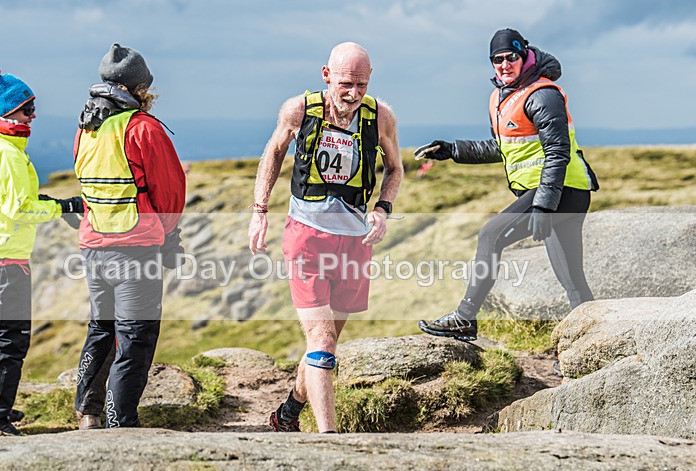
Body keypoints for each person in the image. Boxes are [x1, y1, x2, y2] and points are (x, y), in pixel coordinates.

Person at [249, 42, 404, 433]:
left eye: (362, 85)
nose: (353, 94)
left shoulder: (380, 117)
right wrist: (259, 211)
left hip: (355, 242)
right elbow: (274, 152)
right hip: (307, 237)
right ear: (326, 75)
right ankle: (329, 439)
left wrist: (383, 209)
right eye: (346, 83)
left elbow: (395, 169)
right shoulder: (298, 109)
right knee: (320, 335)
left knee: (327, 342)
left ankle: (287, 412)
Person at [415, 29, 599, 341]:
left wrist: (543, 205)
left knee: (490, 235)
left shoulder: (542, 94)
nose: (504, 64)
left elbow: (557, 152)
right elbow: (504, 146)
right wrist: (453, 150)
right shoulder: (501, 98)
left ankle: (464, 316)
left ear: (525, 54)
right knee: (572, 279)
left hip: (563, 190)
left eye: (510, 57)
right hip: (553, 193)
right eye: (496, 59)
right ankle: (592, 341)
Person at [0, 65, 84, 436]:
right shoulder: (6, 154)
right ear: (5, 112)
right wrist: (64, 207)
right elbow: (20, 209)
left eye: (33, 106)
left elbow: (9, 200)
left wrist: (52, 202)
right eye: (27, 108)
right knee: (11, 338)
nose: (33, 115)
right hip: (1, 258)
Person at [73, 43, 186, 429]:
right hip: (135, 250)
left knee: (101, 328)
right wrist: (168, 237)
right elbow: (170, 194)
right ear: (140, 87)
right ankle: (120, 422)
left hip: (93, 247)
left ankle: (88, 413)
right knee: (135, 336)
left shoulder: (86, 128)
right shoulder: (142, 128)